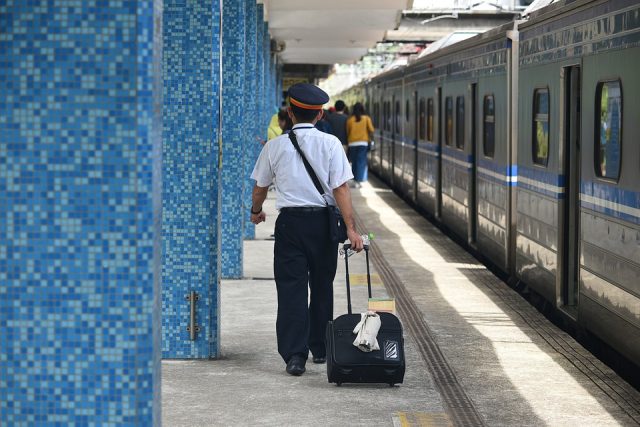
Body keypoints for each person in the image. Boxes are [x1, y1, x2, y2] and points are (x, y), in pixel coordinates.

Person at [250, 83, 364, 377]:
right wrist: (351, 229)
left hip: (290, 224)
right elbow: (341, 189)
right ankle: (321, 348)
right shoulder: (331, 144)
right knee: (322, 286)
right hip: (323, 224)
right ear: (320, 115)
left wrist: (256, 211)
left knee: (292, 288)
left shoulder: (274, 146)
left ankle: (295, 356)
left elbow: (260, 187)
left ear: (290, 112)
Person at [346, 102, 374, 187]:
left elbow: (347, 131)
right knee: (361, 162)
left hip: (352, 143)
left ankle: (355, 180)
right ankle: (359, 180)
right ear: (362, 109)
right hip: (363, 143)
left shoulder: (350, 120)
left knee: (354, 162)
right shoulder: (366, 118)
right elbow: (371, 130)